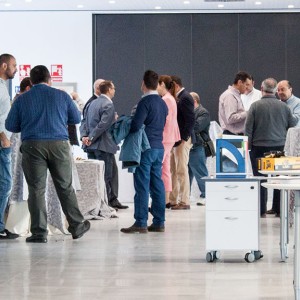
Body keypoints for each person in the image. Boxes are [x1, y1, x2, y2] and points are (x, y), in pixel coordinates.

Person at [5, 65, 90, 243]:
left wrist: (28, 125)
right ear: (49, 79)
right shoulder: (62, 96)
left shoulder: (22, 99)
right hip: (59, 145)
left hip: (32, 145)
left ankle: (38, 233)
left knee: (36, 190)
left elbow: (10, 126)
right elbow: (76, 118)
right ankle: (76, 225)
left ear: (32, 80)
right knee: (65, 186)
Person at [121, 70, 168, 233]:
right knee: (157, 184)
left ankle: (141, 222)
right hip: (159, 147)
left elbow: (135, 126)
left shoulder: (144, 102)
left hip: (145, 148)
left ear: (143, 84)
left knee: (142, 185)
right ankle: (159, 221)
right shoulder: (163, 103)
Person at [245, 78, 296, 217]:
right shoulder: (284, 107)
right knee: (280, 178)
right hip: (279, 147)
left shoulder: (255, 106)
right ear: (275, 91)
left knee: (260, 178)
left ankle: (261, 210)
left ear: (262, 89)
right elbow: (292, 124)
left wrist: (247, 147)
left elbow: (248, 129)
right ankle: (278, 209)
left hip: (258, 147)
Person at [80, 80, 128, 210]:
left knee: (95, 176)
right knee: (105, 176)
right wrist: (90, 137)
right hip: (103, 145)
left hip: (91, 146)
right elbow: (103, 125)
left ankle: (97, 204)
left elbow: (84, 121)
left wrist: (85, 137)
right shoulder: (108, 104)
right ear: (108, 90)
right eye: (113, 88)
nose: (114, 90)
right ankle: (105, 205)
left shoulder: (92, 103)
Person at [169, 75, 195, 210]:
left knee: (181, 170)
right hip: (176, 139)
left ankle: (184, 201)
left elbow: (190, 120)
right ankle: (173, 199)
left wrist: (184, 138)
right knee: (173, 169)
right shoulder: (180, 97)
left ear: (175, 85)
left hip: (182, 139)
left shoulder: (185, 97)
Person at [0, 53, 19, 239]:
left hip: (4, 141)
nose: (16, 69)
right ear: (4, 65)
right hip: (1, 142)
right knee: (5, 184)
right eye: (14, 65)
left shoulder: (3, 87)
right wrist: (3, 137)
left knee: (4, 184)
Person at [157, 75, 180, 208]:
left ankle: (161, 200)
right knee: (165, 168)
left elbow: (164, 120)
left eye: (157, 85)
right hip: (170, 137)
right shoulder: (170, 98)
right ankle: (164, 200)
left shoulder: (166, 99)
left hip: (165, 137)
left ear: (162, 84)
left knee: (159, 168)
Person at [188, 92, 210, 206]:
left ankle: (207, 195)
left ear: (194, 101)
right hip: (189, 147)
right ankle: (186, 195)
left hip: (198, 146)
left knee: (200, 172)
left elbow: (196, 127)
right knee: (187, 173)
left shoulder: (203, 113)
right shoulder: (191, 113)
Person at [219, 71, 252, 135]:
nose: (247, 88)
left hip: (234, 136)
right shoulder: (230, 96)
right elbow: (231, 118)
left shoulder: (234, 95)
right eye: (246, 84)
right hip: (233, 136)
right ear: (239, 82)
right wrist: (248, 113)